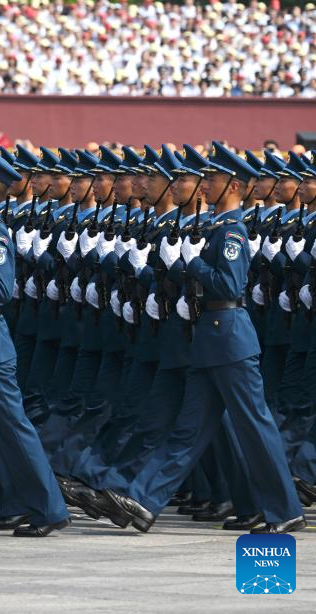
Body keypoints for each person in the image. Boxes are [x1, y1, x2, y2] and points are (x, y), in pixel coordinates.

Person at [100, 142, 307, 534]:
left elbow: (228, 284)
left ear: (231, 184)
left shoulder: (233, 231)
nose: (204, 185)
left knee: (254, 427)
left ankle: (285, 510)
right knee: (188, 430)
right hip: (210, 342)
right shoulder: (213, 227)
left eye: (211, 179)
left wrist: (191, 262)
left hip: (228, 338)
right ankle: (144, 501)